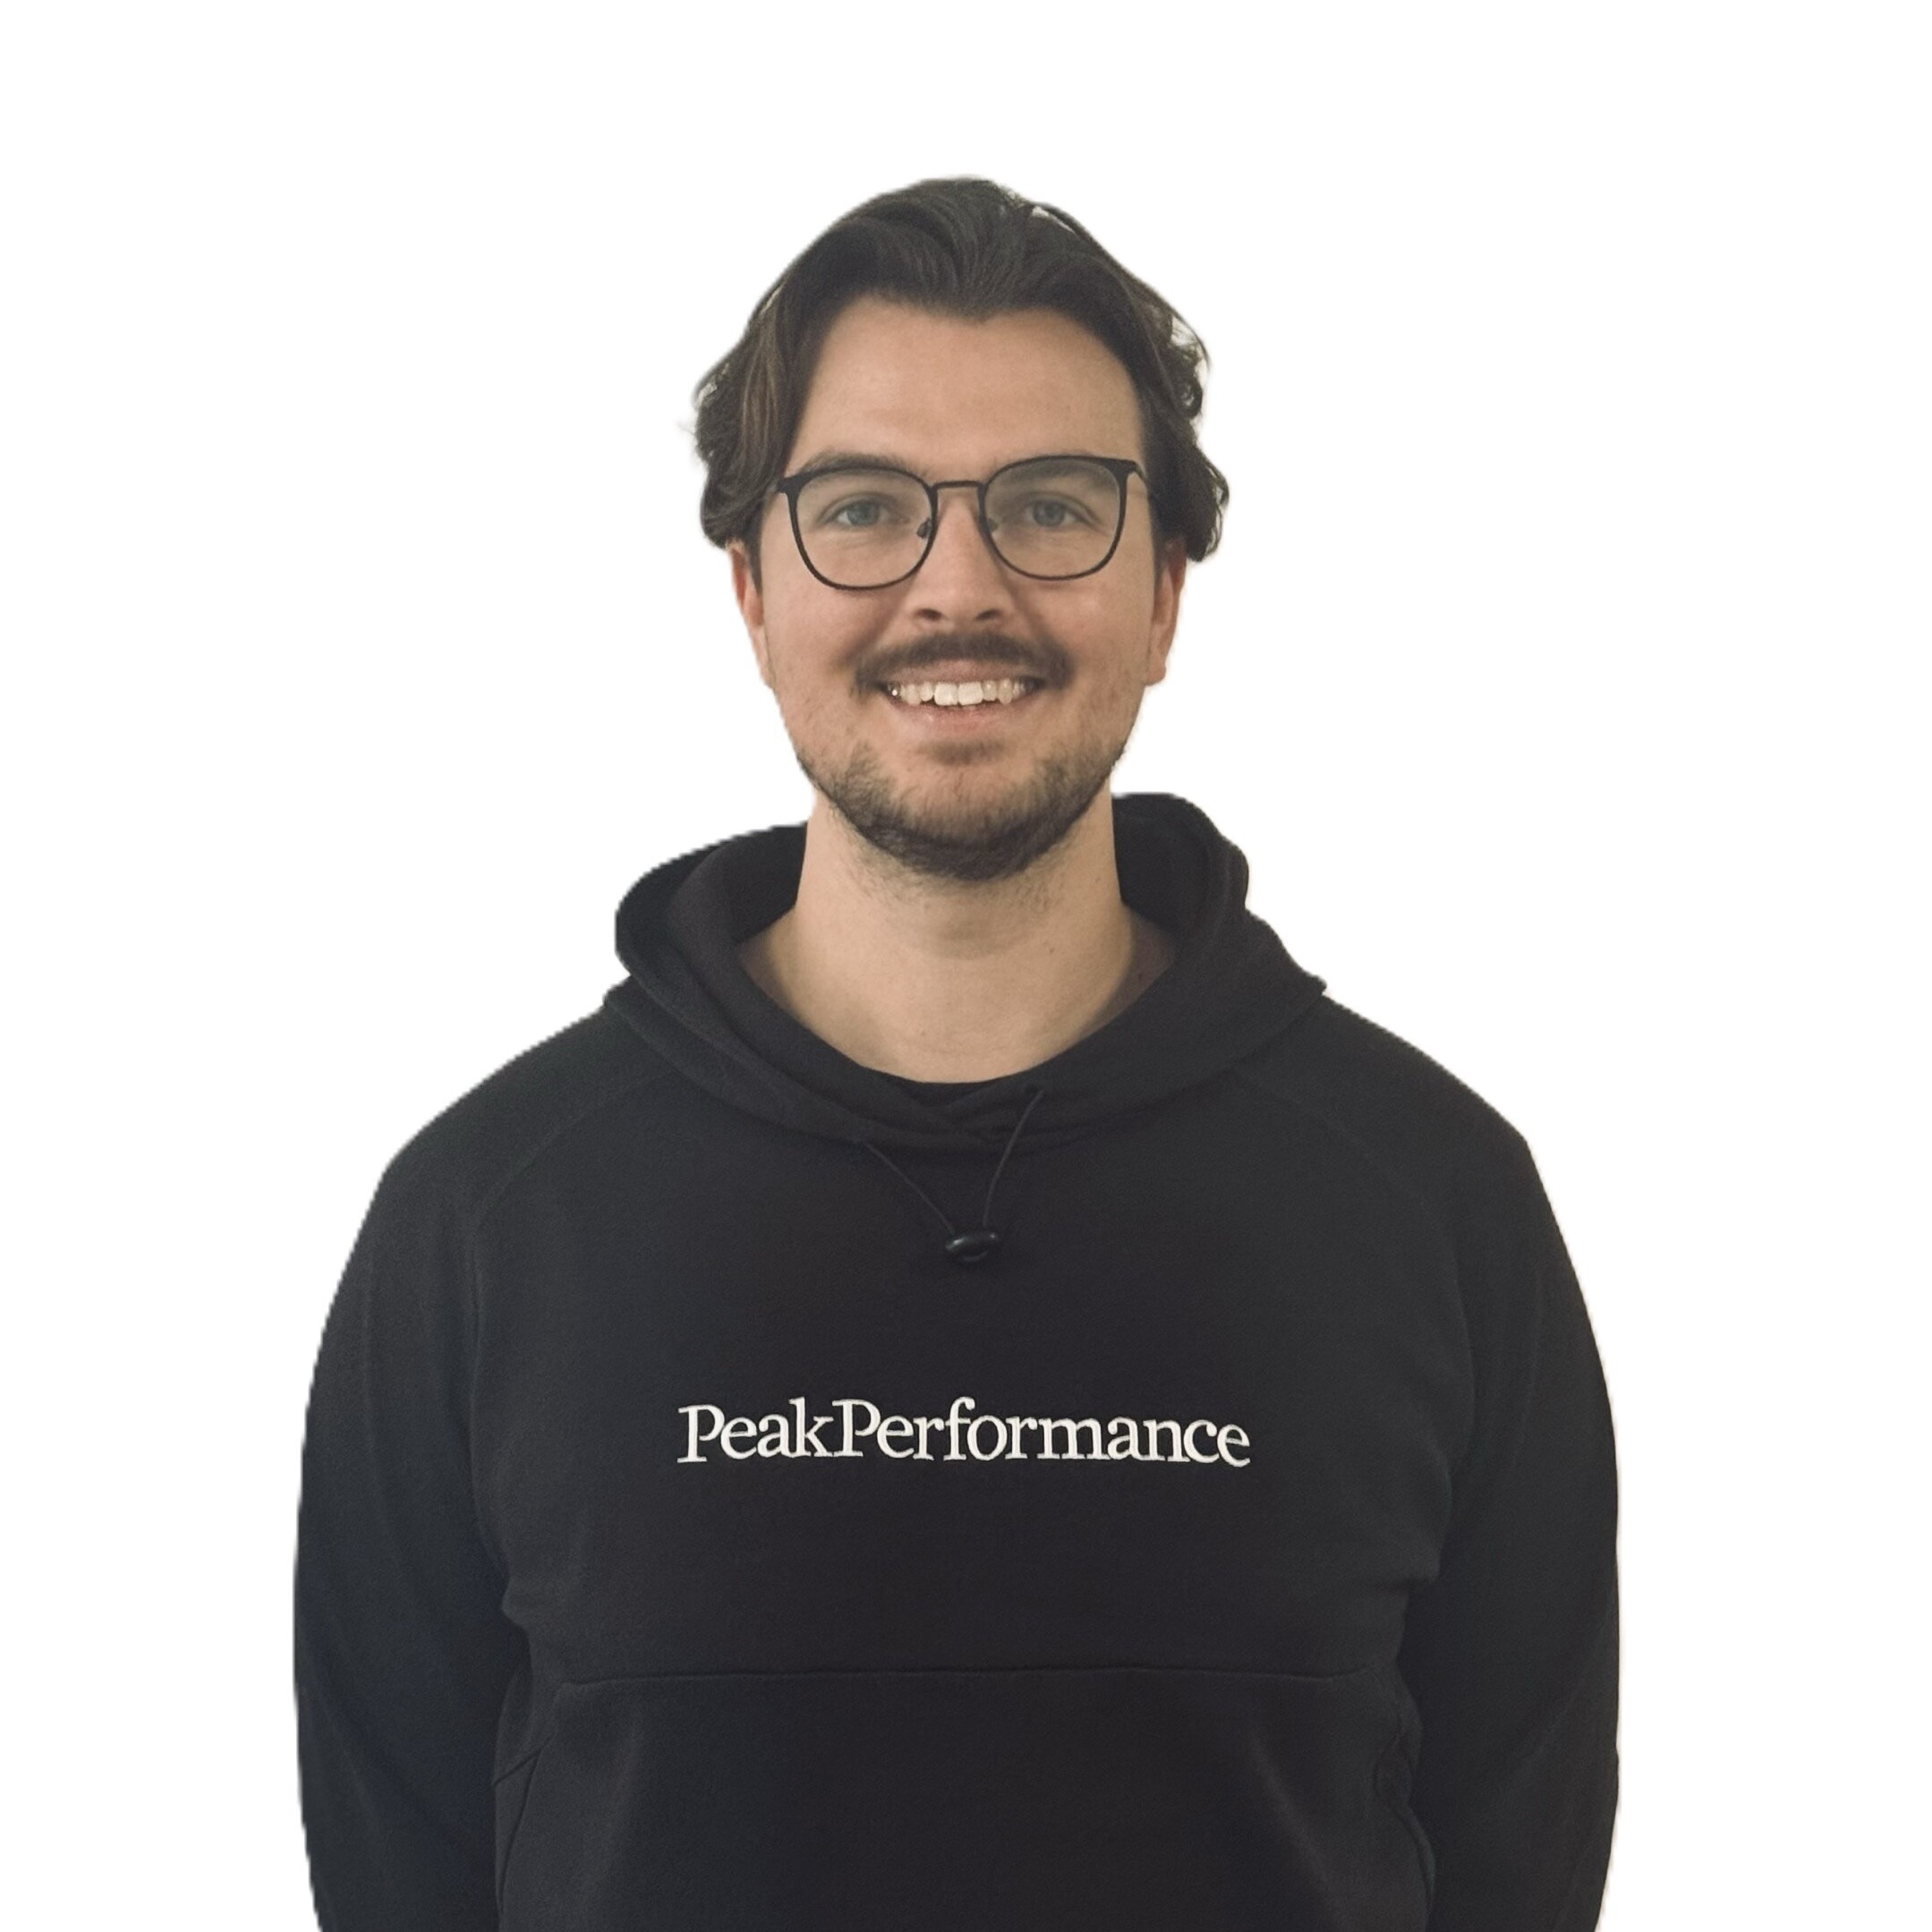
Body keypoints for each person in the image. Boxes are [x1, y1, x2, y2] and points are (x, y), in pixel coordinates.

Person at [294, 177, 1619, 1931]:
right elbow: (399, 1866)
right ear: (752, 592)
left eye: (1051, 508)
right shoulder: (486, 1219)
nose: (959, 589)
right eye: (865, 511)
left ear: (1165, 592)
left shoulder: (1431, 1201)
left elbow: (1520, 1861)